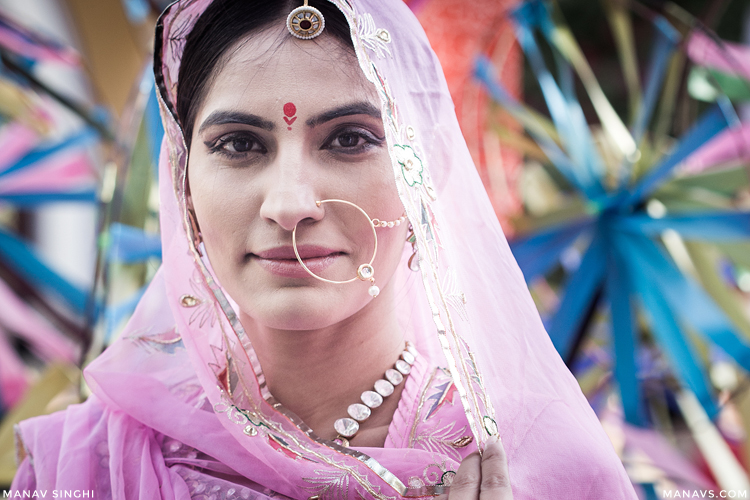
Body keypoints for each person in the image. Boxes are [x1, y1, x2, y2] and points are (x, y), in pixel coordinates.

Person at [10, 0, 637, 498]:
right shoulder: (86, 465)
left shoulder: (541, 465)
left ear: (430, 169)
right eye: (239, 144)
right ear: (182, 182)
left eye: (349, 139)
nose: (289, 203)